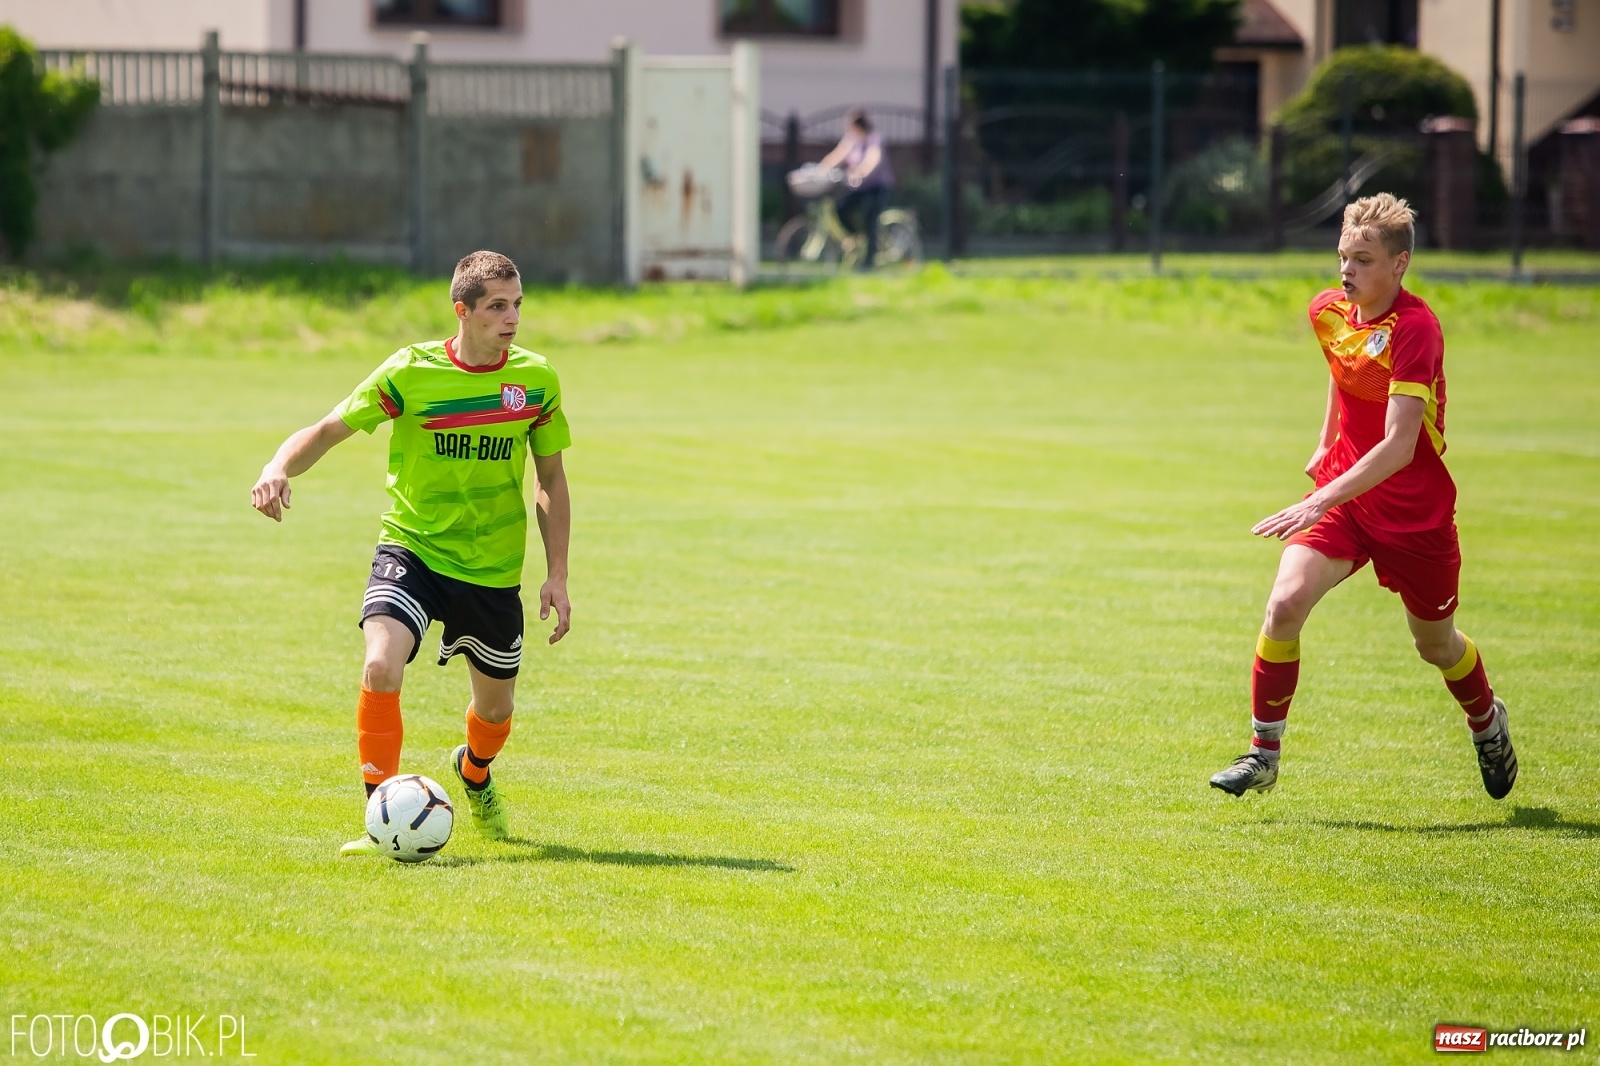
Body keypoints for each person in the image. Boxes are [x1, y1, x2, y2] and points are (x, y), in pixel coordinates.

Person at [250, 250, 573, 855]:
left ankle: (473, 771)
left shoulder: (536, 381)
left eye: (517, 305)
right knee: (380, 664)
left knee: (496, 712)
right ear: (463, 311)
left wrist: (557, 574)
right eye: (498, 307)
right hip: (413, 547)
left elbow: (551, 480)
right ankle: (379, 816)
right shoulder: (411, 372)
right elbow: (328, 428)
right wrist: (277, 467)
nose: (512, 319)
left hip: (492, 565)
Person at [1209, 194, 1517, 800]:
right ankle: (1263, 753)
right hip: (1349, 500)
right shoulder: (1329, 310)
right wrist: (1325, 447)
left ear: (1399, 264)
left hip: (1415, 518)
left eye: (1364, 259)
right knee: (1284, 604)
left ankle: (1486, 721)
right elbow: (1343, 365)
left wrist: (1318, 499)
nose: (1348, 271)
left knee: (1436, 644)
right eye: (1343, 256)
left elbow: (1401, 446)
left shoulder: (1417, 330)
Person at [817, 108, 895, 268]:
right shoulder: (851, 140)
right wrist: (820, 170)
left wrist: (861, 171)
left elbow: (873, 158)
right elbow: (837, 155)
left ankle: (869, 262)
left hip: (877, 186)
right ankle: (855, 238)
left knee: (870, 218)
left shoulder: (874, 139)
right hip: (858, 186)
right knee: (841, 207)